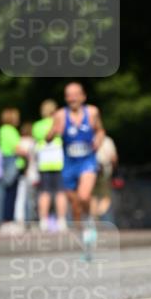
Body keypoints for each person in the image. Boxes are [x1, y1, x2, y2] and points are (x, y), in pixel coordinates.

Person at [47, 82, 105, 249]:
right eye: (69, 95)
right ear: (66, 98)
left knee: (84, 196)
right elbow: (48, 137)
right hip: (69, 164)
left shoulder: (92, 112)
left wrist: (98, 140)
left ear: (83, 96)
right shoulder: (59, 115)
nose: (72, 98)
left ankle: (90, 222)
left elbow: (100, 130)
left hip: (88, 161)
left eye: (75, 94)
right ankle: (83, 227)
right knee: (75, 205)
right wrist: (54, 131)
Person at [32, 99, 68, 232]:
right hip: (58, 161)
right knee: (60, 192)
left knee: (44, 192)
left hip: (44, 162)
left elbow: (36, 141)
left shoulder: (37, 126)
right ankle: (61, 221)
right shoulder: (59, 123)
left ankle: (43, 221)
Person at [0, 108, 27, 231]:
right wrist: (28, 153)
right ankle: (8, 221)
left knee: (10, 192)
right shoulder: (9, 130)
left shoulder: (3, 130)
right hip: (12, 163)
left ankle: (7, 220)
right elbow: (17, 148)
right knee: (11, 193)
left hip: (9, 162)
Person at [14, 122, 37, 227]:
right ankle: (33, 220)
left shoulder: (19, 142)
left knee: (20, 197)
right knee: (33, 199)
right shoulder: (34, 142)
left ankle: (20, 220)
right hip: (33, 173)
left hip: (22, 172)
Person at [91, 134, 119, 221]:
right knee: (106, 197)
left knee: (93, 196)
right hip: (104, 170)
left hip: (91, 170)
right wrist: (115, 170)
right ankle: (98, 213)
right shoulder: (107, 141)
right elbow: (113, 158)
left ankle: (93, 217)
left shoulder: (90, 138)